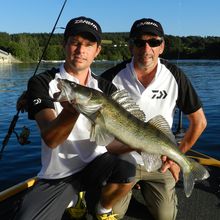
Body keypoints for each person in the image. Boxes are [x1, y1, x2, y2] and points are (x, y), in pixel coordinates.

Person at [14, 16, 136, 220]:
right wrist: (71, 111)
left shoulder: (106, 88)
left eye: (88, 45)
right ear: (65, 44)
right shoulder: (42, 82)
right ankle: (77, 197)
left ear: (97, 51)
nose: (81, 50)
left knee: (129, 164)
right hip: (58, 175)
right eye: (75, 43)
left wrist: (139, 145)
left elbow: (111, 145)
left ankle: (102, 210)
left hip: (97, 165)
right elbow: (51, 139)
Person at [100, 18, 207, 220]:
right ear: (131, 46)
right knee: (113, 214)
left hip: (160, 160)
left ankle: (144, 187)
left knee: (165, 216)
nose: (146, 48)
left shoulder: (174, 75)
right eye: (140, 42)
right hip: (122, 159)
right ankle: (128, 187)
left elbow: (199, 122)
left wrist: (177, 158)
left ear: (162, 46)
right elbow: (82, 90)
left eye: (154, 42)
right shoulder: (112, 77)